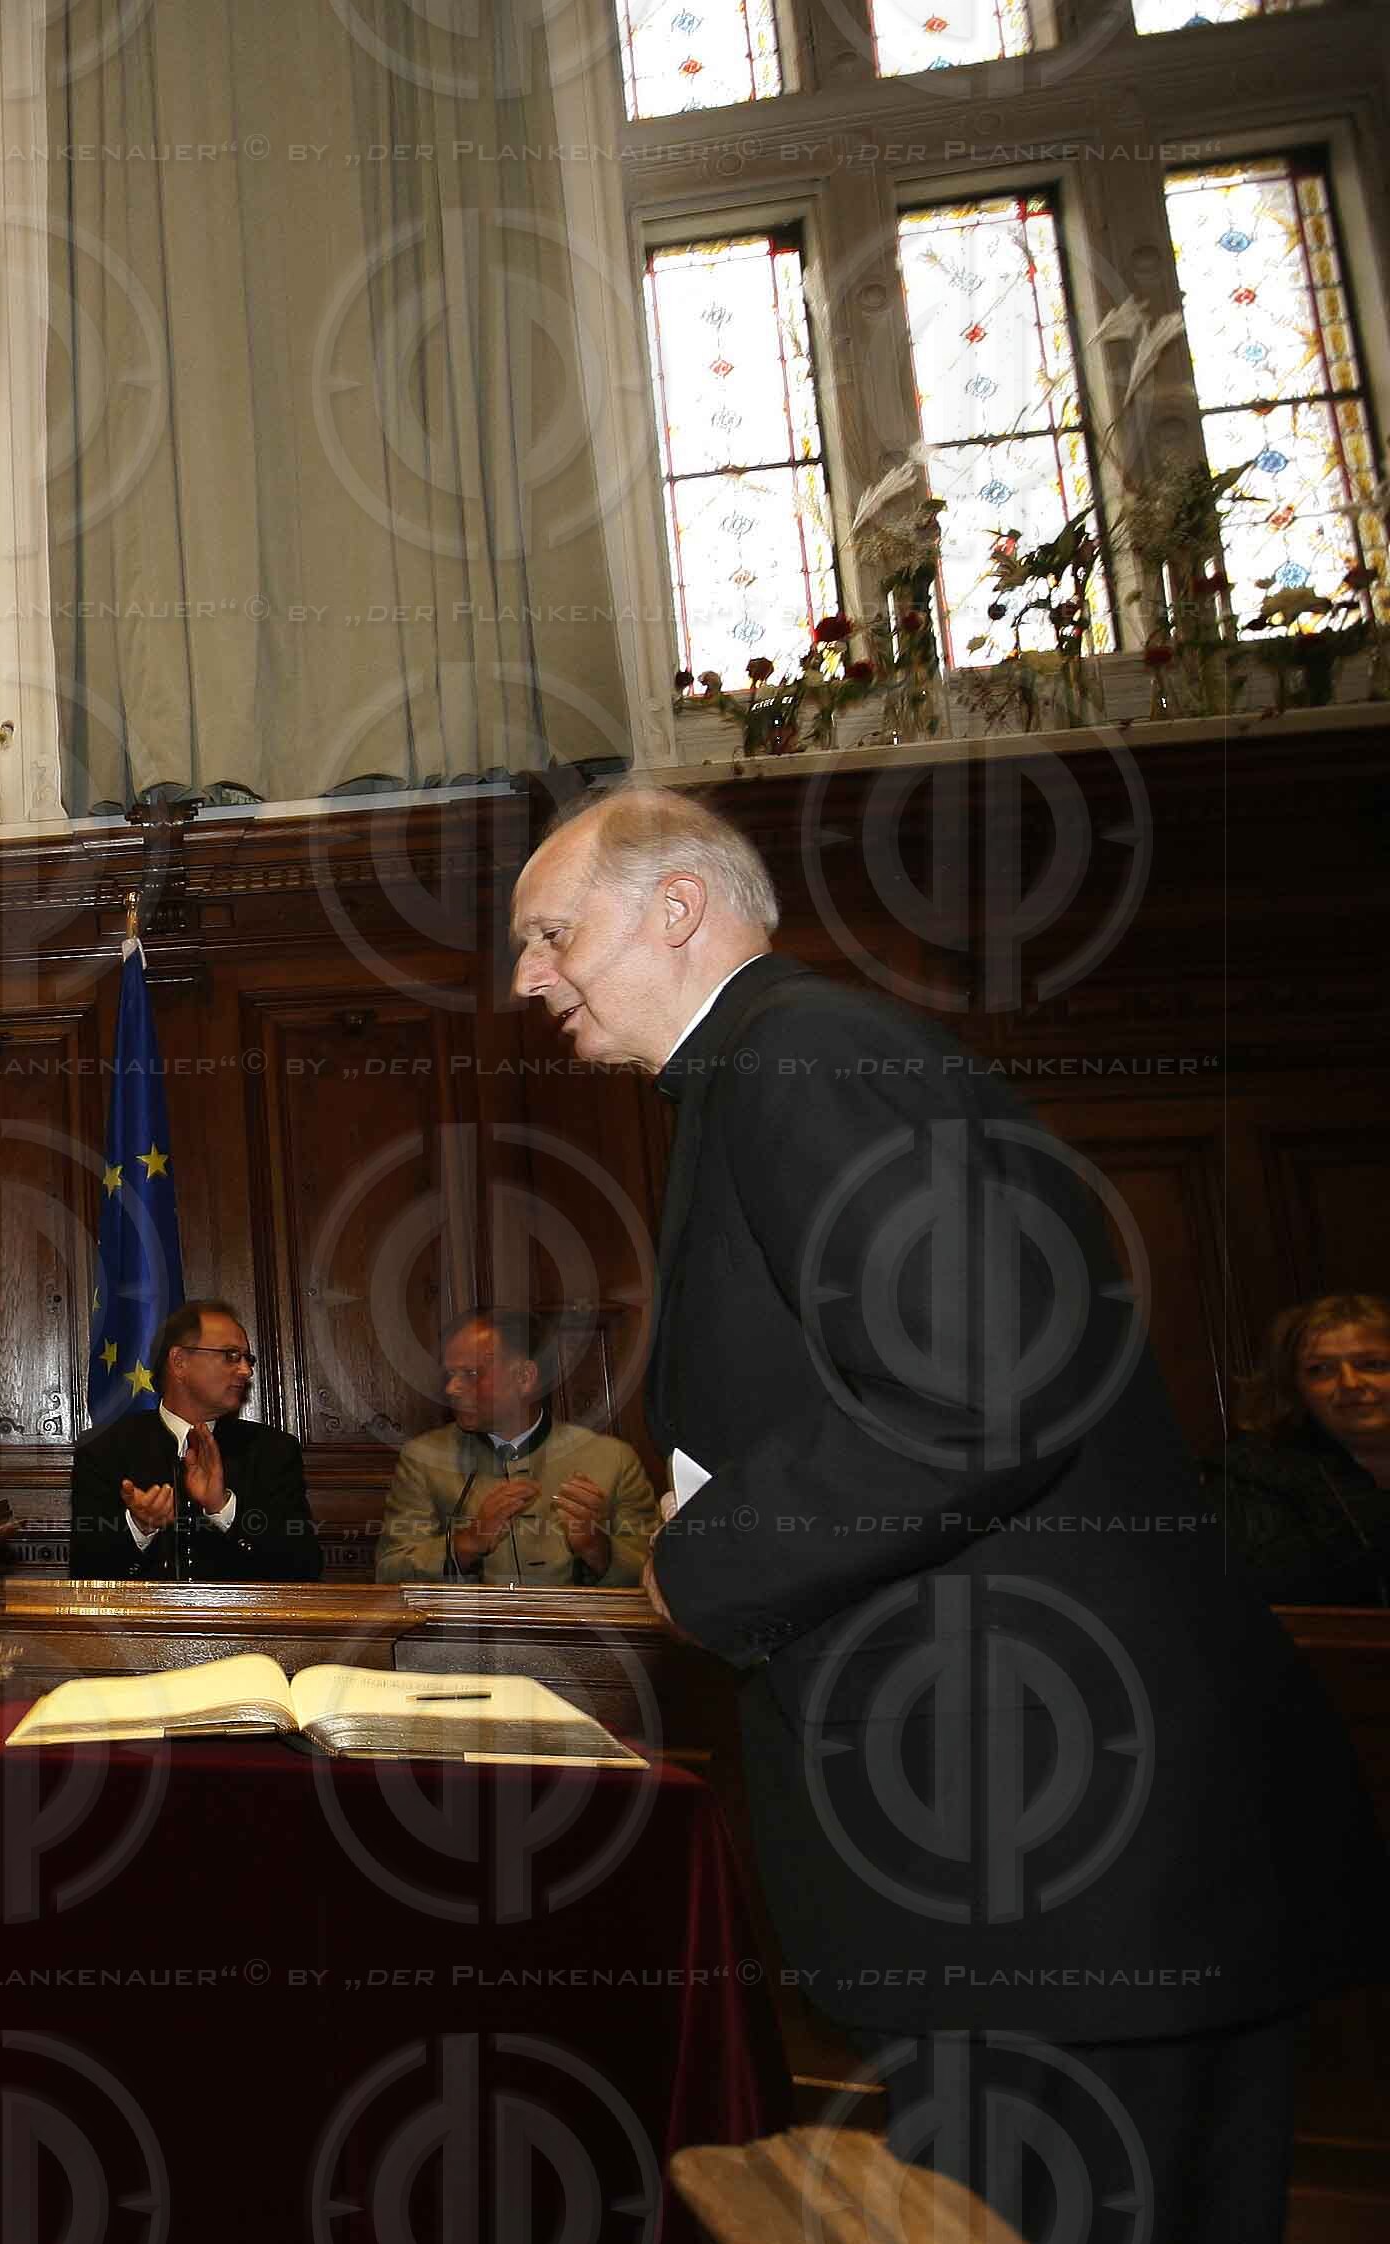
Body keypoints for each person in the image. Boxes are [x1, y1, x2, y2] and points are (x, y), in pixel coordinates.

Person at [511, 780, 1383, 2242]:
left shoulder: (805, 1062)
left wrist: (698, 1565)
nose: (528, 977)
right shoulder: (774, 1071)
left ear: (674, 909)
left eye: (549, 932)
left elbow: (980, 1387)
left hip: (1052, 1857)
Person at [374, 1310, 657, 1586]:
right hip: (469, 1633)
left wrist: (596, 1547)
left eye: (470, 1374)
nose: (453, 1389)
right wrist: (467, 1542)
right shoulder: (424, 1459)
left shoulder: (613, 1460)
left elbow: (656, 1576)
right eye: (451, 1375)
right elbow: (389, 1572)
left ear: (524, 1377)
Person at [67, 1299, 319, 1582]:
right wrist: (139, 1527)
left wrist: (223, 1509)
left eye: (248, 1359)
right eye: (231, 1355)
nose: (246, 1371)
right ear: (179, 1362)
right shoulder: (105, 1449)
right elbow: (85, 1573)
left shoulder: (273, 1451)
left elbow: (304, 1568)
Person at [1203, 1291, 1390, 1604]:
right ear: (1294, 1386)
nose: (1350, 1383)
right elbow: (1268, 1590)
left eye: (1372, 1364)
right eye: (1320, 1370)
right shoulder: (1252, 1472)